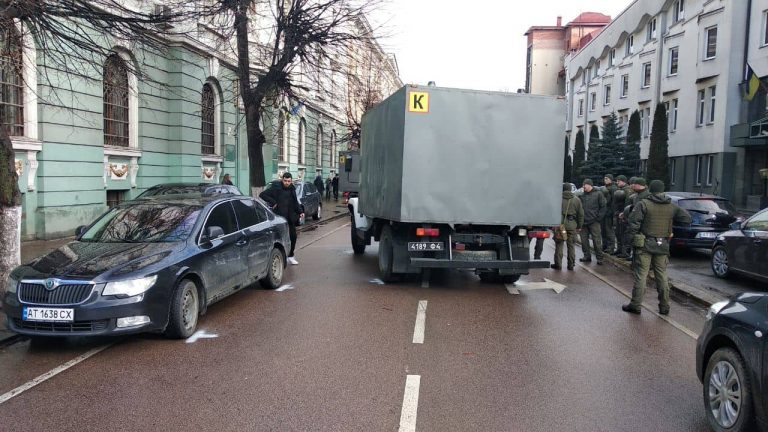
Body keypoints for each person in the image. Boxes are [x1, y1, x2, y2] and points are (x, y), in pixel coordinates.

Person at [622, 180, 691, 315]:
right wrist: (670, 224)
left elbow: (633, 223)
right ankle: (664, 307)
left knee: (641, 275)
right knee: (662, 276)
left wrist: (630, 241)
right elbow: (687, 218)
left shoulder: (644, 204)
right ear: (662, 190)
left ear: (651, 190)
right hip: (663, 245)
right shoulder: (671, 206)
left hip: (645, 245)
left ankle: (636, 305)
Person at [259, 172, 304, 265]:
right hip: (279, 219)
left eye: (289, 181)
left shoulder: (292, 189)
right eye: (285, 181)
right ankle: (279, 258)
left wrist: (300, 212)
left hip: (290, 218)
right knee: (279, 239)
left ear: (291, 181)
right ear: (282, 180)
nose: (287, 183)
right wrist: (274, 202)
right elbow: (262, 195)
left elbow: (295, 202)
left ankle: (291, 256)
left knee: (293, 237)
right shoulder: (276, 188)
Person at [552, 182, 584, 270]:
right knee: (571, 246)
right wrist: (579, 226)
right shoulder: (577, 199)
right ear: (570, 189)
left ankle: (558, 264)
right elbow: (581, 214)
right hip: (572, 225)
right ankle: (571, 265)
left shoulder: (557, 199)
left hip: (560, 225)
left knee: (559, 245)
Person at [578, 178, 606, 264]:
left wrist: (599, 218)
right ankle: (587, 256)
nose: (583, 187)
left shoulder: (598, 194)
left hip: (595, 222)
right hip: (584, 222)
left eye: (584, 185)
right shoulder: (582, 195)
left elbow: (603, 207)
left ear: (590, 185)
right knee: (584, 240)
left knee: (596, 240)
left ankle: (599, 258)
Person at [613, 175, 632, 258]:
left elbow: (627, 204)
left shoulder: (628, 191)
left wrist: (624, 213)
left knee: (624, 234)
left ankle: (625, 252)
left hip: (624, 215)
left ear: (624, 181)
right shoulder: (620, 190)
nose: (617, 182)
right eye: (617, 181)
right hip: (618, 214)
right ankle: (619, 249)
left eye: (619, 181)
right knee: (618, 233)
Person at [601, 174, 617, 254]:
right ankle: (604, 246)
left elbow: (614, 202)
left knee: (609, 231)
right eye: (604, 178)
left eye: (607, 178)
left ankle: (610, 248)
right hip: (604, 212)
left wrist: (611, 212)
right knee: (603, 231)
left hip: (609, 213)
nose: (605, 180)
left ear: (611, 179)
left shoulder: (613, 188)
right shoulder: (605, 188)